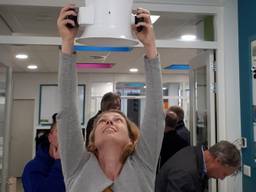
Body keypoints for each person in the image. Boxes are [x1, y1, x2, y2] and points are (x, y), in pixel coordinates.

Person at [57, 4, 164, 192]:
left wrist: (150, 44)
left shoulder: (143, 165)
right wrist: (67, 41)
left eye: (117, 120)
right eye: (102, 121)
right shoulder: (77, 167)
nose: (109, 122)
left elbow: (155, 113)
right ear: (91, 141)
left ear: (131, 140)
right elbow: (67, 112)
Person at [155, 141, 241, 192]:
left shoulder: (194, 152)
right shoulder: (185, 174)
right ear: (218, 161)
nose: (222, 178)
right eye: (224, 174)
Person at [22, 113, 65, 192]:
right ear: (50, 137)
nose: (65, 137)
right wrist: (59, 162)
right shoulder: (32, 169)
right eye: (60, 131)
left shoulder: (74, 167)